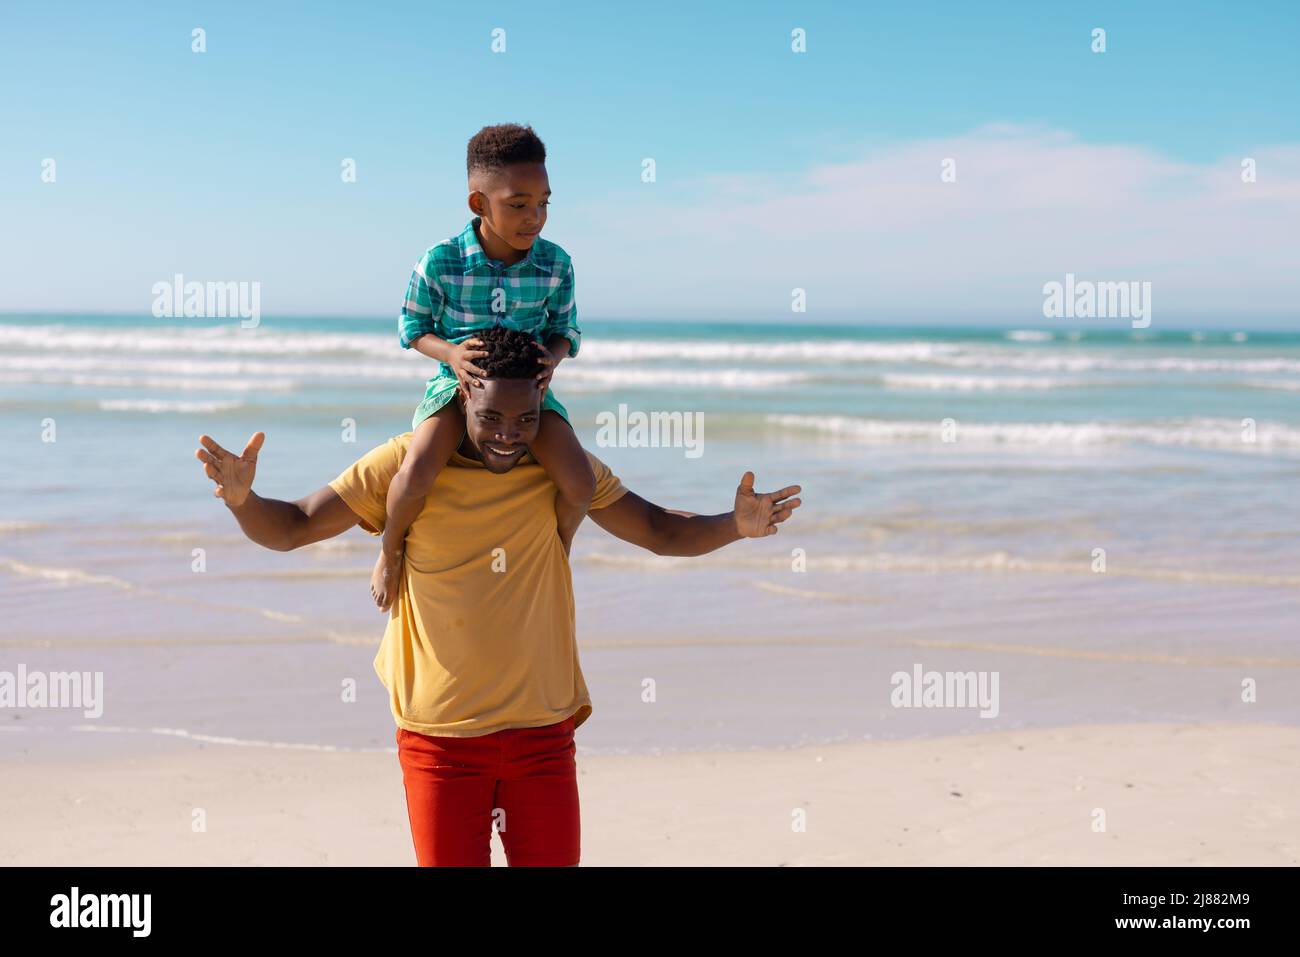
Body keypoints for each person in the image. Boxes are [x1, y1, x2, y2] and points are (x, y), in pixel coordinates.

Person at [195, 326, 803, 867]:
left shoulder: (566, 474)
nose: (508, 437)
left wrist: (734, 524)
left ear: (544, 405)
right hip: (439, 739)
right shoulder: (402, 467)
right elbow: (296, 526)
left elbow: (661, 530)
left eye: (526, 420)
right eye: (491, 419)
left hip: (542, 733)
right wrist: (244, 500)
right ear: (463, 398)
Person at [372, 122, 593, 614]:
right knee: (415, 473)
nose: (534, 217)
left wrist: (550, 359)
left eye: (544, 203)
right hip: (459, 386)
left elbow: (567, 330)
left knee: (580, 483)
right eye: (518, 204)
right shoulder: (441, 261)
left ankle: (559, 549)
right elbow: (412, 327)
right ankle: (389, 549)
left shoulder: (555, 264)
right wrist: (450, 354)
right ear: (479, 204)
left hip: (529, 391)